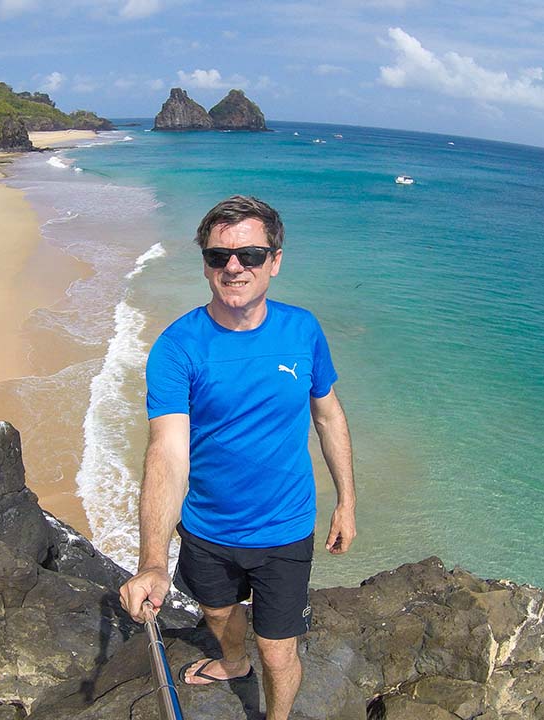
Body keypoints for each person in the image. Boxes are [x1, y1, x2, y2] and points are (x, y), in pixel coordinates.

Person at [119, 195, 357, 720]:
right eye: (218, 255)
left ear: (275, 261)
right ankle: (232, 663)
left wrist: (347, 502)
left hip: (285, 529)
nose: (233, 266)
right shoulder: (177, 347)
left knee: (278, 649)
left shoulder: (302, 331)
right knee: (219, 613)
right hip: (206, 528)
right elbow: (167, 451)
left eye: (250, 255)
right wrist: (153, 562)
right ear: (205, 263)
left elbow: (329, 416)